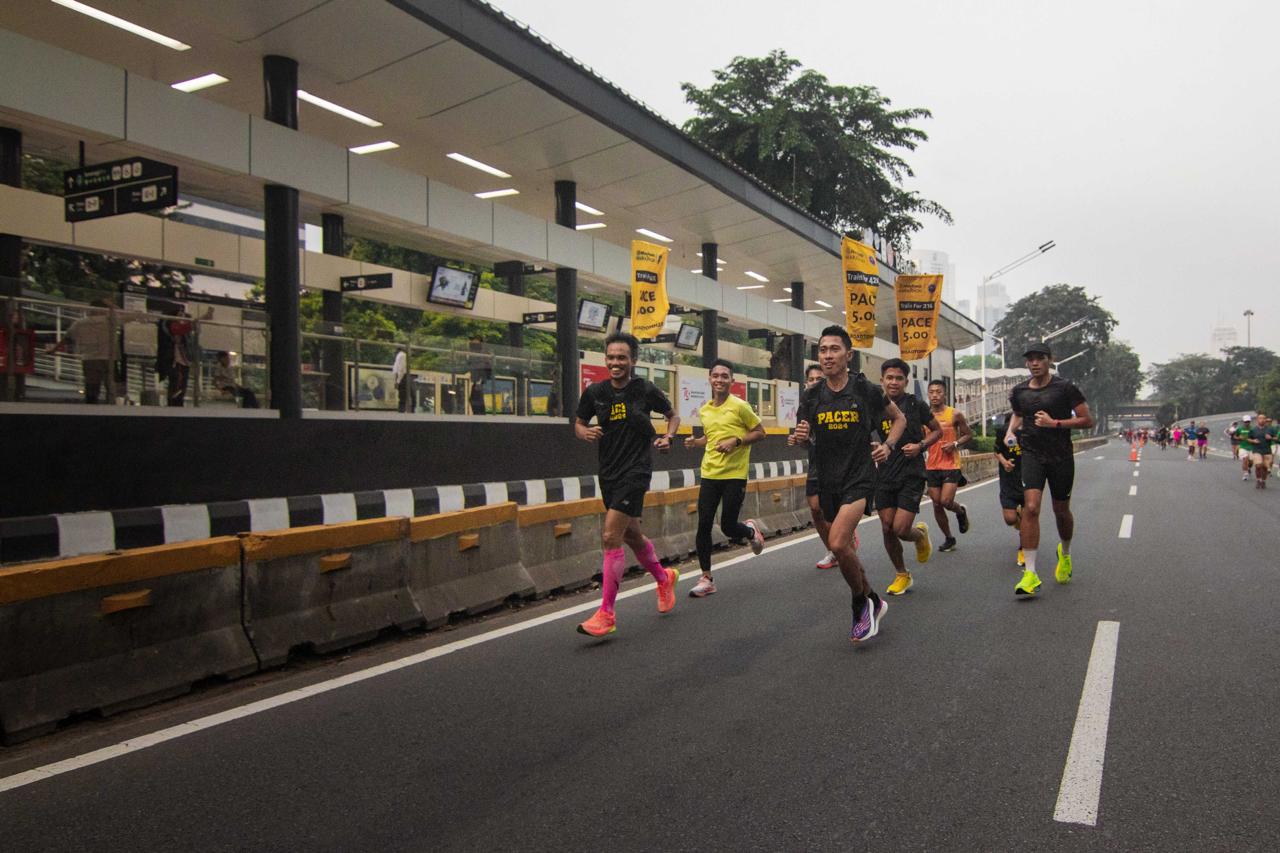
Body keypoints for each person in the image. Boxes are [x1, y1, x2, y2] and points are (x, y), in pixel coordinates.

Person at [789, 325, 906, 643]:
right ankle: (872, 598)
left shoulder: (864, 389)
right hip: (828, 480)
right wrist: (799, 439)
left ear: (848, 355)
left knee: (839, 543)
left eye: (834, 349)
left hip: (860, 477)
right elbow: (803, 441)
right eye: (823, 350)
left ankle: (859, 605)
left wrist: (888, 446)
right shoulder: (812, 396)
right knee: (842, 551)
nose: (827, 355)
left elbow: (899, 419)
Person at [574, 332, 681, 637]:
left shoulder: (644, 389)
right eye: (611, 357)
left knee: (610, 536)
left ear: (633, 360)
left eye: (622, 357)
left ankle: (606, 613)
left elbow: (672, 416)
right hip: (608, 472)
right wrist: (585, 433)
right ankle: (664, 578)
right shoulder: (595, 393)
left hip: (636, 470)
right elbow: (579, 424)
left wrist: (668, 437)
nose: (616, 363)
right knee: (631, 534)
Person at [1005, 342, 1094, 596]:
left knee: (1061, 511)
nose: (1034, 363)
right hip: (1032, 454)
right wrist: (1011, 431)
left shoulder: (1065, 388)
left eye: (1039, 358)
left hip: (1061, 456)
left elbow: (1087, 420)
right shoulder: (1019, 391)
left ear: (1049, 360)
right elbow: (1019, 414)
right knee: (1031, 508)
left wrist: (1054, 423)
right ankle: (1031, 574)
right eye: (1030, 359)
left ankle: (1064, 553)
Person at [683, 359, 767, 597]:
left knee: (729, 527)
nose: (719, 380)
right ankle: (707, 578)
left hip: (734, 475)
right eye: (715, 375)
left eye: (724, 376)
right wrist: (695, 442)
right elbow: (710, 439)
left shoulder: (740, 406)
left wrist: (736, 441)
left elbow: (761, 432)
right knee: (704, 524)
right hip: (709, 473)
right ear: (710, 379)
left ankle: (750, 532)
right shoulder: (705, 410)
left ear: (732, 381)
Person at [873, 358, 937, 596]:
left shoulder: (915, 404)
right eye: (889, 377)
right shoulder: (876, 405)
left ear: (906, 381)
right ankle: (902, 574)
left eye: (899, 378)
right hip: (885, 472)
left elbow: (937, 431)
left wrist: (920, 445)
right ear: (882, 381)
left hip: (912, 472)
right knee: (887, 527)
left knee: (901, 528)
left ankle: (919, 535)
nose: (894, 382)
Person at [924, 379, 972, 552]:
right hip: (932, 465)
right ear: (928, 394)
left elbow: (968, 434)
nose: (935, 395)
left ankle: (960, 512)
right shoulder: (926, 416)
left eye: (939, 391)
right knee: (936, 504)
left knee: (945, 501)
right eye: (932, 392)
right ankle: (949, 538)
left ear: (945, 394)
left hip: (951, 463)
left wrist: (956, 444)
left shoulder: (955, 414)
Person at [47, 298, 117, 404]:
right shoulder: (111, 319)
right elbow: (130, 315)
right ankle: (112, 406)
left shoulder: (80, 323)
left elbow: (67, 337)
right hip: (109, 357)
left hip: (91, 358)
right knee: (111, 385)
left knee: (92, 386)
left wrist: (53, 349)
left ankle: (91, 408)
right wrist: (112, 306)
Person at [995, 412, 1027, 567]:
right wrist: (1004, 462)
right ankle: (1021, 523)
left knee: (1029, 517)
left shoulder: (1031, 431)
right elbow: (997, 450)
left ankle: (1023, 547)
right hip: (1008, 480)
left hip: (1029, 479)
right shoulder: (1003, 431)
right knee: (1010, 519)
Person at [156, 306, 194, 407]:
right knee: (176, 383)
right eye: (180, 315)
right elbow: (179, 329)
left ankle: (178, 404)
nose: (182, 318)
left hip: (182, 360)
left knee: (181, 386)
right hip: (173, 360)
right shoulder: (168, 325)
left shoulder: (184, 333)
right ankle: (173, 405)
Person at [1246, 413, 1273, 490]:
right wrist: (1253, 441)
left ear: (1265, 420)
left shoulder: (1270, 429)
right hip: (1257, 450)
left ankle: (1263, 481)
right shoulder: (1253, 430)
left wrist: (1270, 438)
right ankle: (1258, 480)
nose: (1262, 420)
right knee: (1258, 466)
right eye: (1260, 418)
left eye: (1264, 418)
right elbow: (1248, 438)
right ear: (1257, 420)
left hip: (1267, 450)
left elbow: (1276, 438)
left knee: (1265, 467)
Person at [392, 347, 410, 413]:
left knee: (402, 396)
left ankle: (401, 411)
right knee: (402, 396)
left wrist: (398, 381)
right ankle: (401, 411)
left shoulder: (401, 355)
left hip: (402, 377)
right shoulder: (401, 355)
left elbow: (401, 369)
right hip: (401, 377)